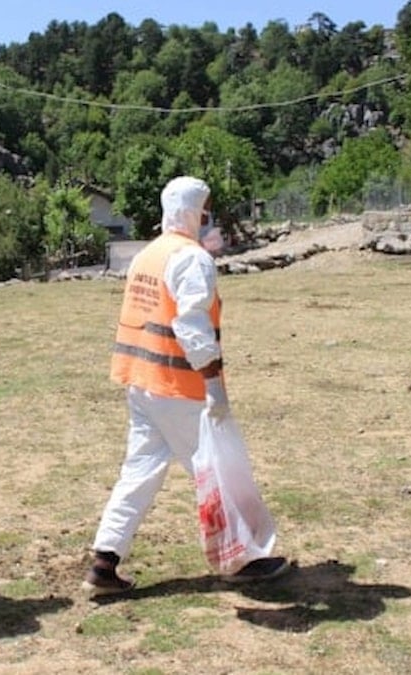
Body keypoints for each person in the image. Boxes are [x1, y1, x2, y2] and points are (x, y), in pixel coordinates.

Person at [83, 175, 289, 597]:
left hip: (141, 382)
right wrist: (212, 380)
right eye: (207, 208)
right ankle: (243, 559)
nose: (211, 216)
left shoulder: (149, 254)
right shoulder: (191, 259)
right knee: (219, 470)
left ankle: (105, 560)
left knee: (139, 472)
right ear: (195, 211)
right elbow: (191, 324)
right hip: (180, 385)